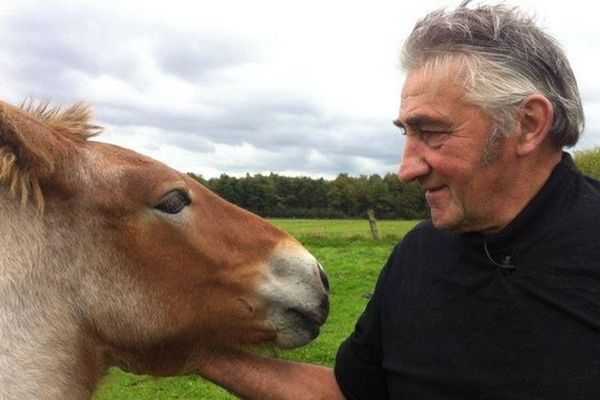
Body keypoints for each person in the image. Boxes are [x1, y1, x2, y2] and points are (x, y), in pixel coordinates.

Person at [196, 2, 600, 399]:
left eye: (432, 132)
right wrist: (192, 348)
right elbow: (349, 393)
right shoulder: (419, 254)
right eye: (405, 133)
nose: (406, 170)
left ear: (527, 125)